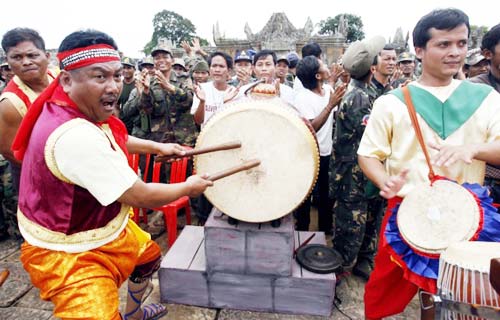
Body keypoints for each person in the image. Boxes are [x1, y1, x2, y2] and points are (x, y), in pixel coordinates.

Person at [13, 29, 213, 320]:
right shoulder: (75, 136)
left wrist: (160, 146)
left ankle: (133, 313)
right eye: (99, 77)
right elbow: (140, 194)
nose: (113, 87)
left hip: (101, 224)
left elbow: (112, 135)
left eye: (117, 76)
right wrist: (188, 186)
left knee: (148, 258)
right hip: (68, 251)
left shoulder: (70, 106)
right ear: (67, 80)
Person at [357, 9, 500, 319]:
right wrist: (384, 180)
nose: (455, 52)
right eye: (444, 44)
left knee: (466, 298)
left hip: (470, 215)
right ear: (419, 50)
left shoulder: (486, 98)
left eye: (462, 44)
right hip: (408, 211)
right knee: (382, 296)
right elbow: (368, 154)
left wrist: (473, 149)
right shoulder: (391, 102)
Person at [330, 36, 386, 281]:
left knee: (367, 217)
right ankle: (342, 269)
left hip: (359, 171)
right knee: (352, 222)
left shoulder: (362, 91)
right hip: (354, 174)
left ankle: (361, 261)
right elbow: (370, 135)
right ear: (372, 67)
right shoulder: (360, 98)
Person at [0, 28, 55, 239]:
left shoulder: (58, 77)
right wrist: (55, 169)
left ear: (46, 56)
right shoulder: (11, 103)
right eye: (17, 57)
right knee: (46, 233)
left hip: (69, 165)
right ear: (8, 61)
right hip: (34, 175)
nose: (26, 62)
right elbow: (10, 151)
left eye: (32, 55)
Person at [293, 55, 346, 233]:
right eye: (323, 65)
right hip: (308, 155)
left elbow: (332, 89)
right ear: (317, 76)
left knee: (326, 195)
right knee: (305, 196)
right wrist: (330, 106)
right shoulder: (303, 98)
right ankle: (302, 231)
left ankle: (325, 229)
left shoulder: (327, 90)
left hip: (326, 153)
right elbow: (311, 128)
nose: (327, 65)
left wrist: (339, 80)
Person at [191, 51, 239, 224]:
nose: (217, 70)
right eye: (214, 66)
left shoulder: (236, 92)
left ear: (229, 71)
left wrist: (225, 103)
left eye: (221, 66)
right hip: (207, 147)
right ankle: (203, 225)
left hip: (229, 149)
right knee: (207, 187)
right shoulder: (202, 90)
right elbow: (198, 120)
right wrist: (203, 102)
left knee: (227, 187)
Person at [118, 56, 136, 133]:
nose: (125, 70)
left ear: (134, 69)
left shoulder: (139, 84)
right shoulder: (118, 85)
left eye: (129, 68)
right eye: (123, 68)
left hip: (137, 124)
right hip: (123, 123)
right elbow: (116, 105)